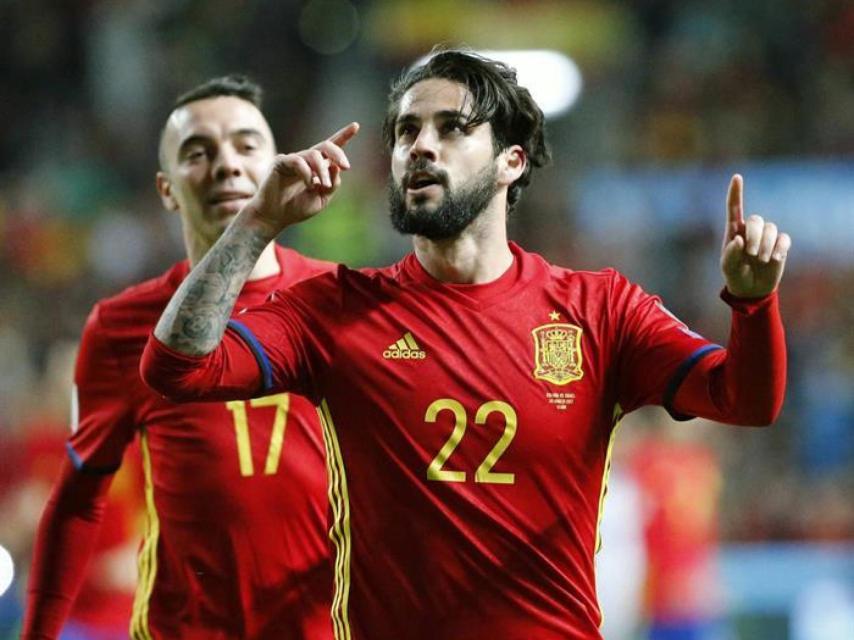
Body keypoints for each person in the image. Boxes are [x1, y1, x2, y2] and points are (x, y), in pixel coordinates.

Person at [140, 50, 791, 639]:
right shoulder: (335, 310)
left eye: (451, 129)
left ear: (511, 160)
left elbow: (746, 400)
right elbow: (175, 367)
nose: (420, 147)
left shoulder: (599, 310)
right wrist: (256, 224)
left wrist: (753, 305)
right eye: (406, 131)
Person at [23, 75, 337, 640]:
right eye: (198, 151)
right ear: (167, 189)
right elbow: (77, 501)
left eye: (246, 145)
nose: (225, 164)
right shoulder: (120, 327)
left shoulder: (342, 303)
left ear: (277, 164)